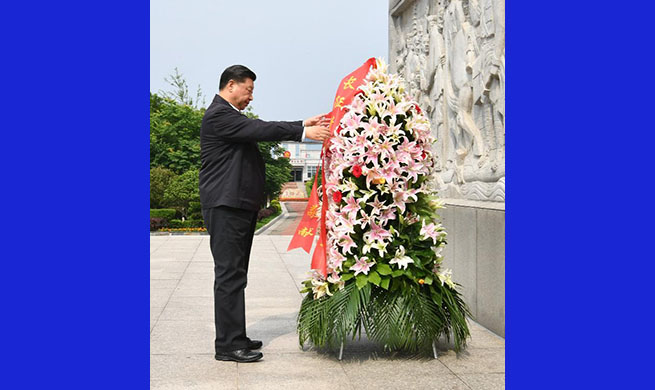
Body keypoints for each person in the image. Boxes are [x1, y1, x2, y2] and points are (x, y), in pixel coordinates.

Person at [199, 65, 330, 363]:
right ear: (231, 85)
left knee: (236, 274)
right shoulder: (219, 114)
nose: (250, 97)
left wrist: (300, 123)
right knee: (229, 274)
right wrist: (302, 131)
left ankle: (235, 336)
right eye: (248, 90)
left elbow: (257, 126)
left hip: (236, 205)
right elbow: (260, 129)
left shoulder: (230, 116)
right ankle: (228, 346)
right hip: (225, 205)